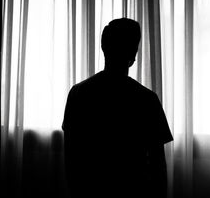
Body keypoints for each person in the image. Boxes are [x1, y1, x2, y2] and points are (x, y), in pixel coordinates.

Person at [62, 18, 173, 198]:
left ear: (104, 48)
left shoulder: (79, 93)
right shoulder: (146, 99)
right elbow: (158, 164)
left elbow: (71, 159)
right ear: (134, 55)